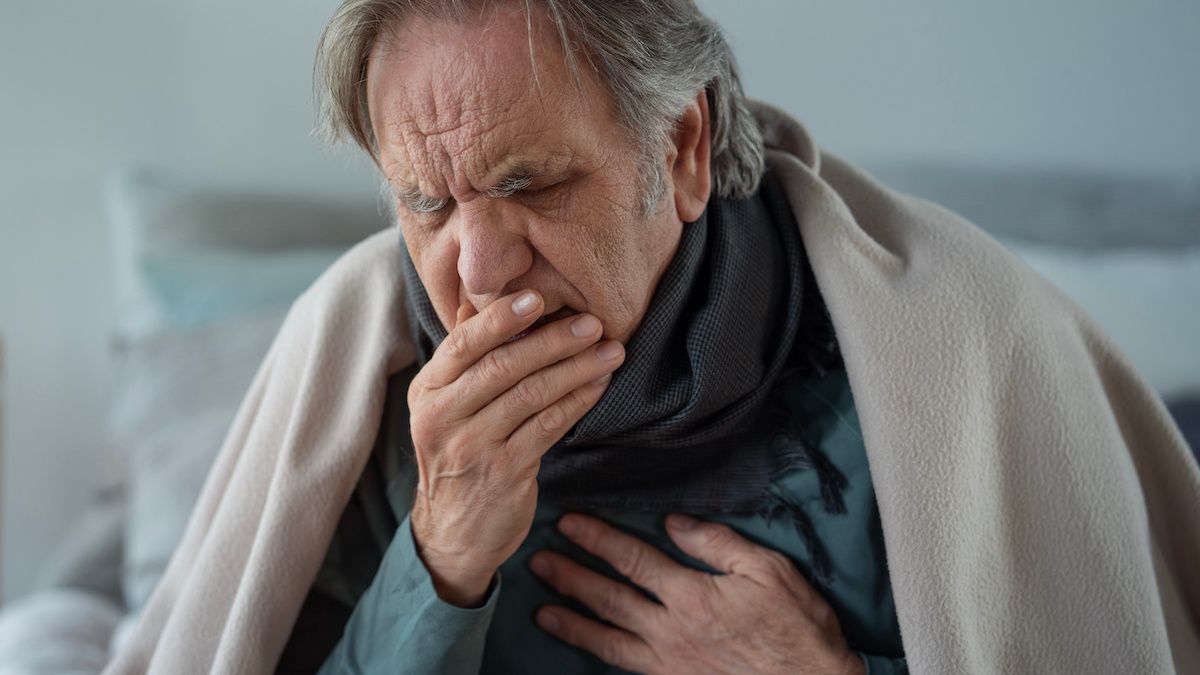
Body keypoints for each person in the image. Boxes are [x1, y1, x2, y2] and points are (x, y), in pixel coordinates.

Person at [104, 1, 1200, 674]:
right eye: (425, 206)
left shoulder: (964, 344)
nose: (477, 269)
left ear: (680, 151)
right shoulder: (358, 371)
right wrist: (436, 559)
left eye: (529, 183)